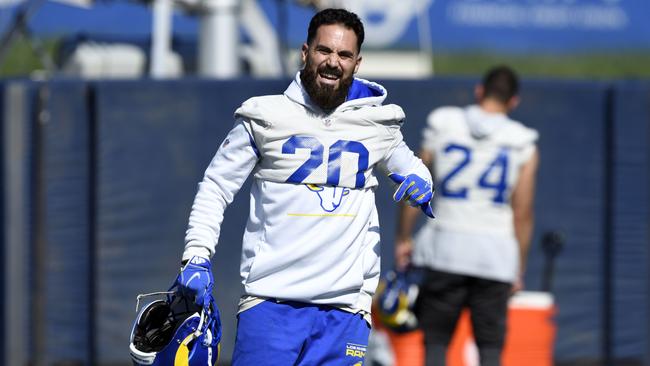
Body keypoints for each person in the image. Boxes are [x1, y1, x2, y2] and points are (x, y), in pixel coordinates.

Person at [175, 8, 434, 365]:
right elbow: (216, 187)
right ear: (305, 52)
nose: (333, 62)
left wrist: (423, 182)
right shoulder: (266, 116)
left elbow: (413, 167)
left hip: (346, 312)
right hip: (271, 304)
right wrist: (197, 255)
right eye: (324, 50)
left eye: (344, 55)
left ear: (357, 63)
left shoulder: (376, 122)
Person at [395, 65, 539, 366]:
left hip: (445, 248)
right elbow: (522, 212)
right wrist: (519, 266)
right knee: (489, 347)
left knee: (435, 341)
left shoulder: (444, 122)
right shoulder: (522, 140)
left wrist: (404, 238)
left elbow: (416, 186)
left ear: (479, 90)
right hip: (495, 254)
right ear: (514, 101)